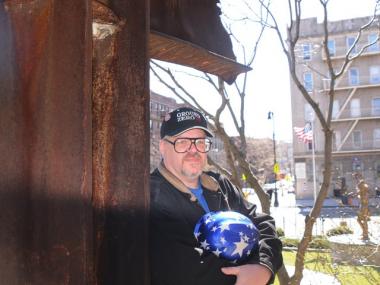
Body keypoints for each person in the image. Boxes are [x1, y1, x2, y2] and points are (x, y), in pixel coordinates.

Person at [150, 107, 283, 285]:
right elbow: (181, 270)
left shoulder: (220, 185)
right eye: (182, 142)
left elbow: (263, 225)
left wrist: (262, 266)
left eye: (200, 142)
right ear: (163, 147)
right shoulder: (149, 196)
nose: (193, 150)